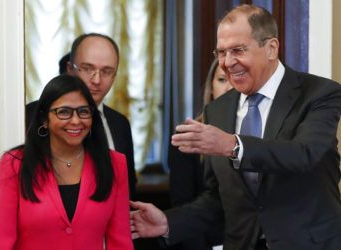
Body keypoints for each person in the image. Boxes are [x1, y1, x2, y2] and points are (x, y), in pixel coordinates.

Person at [130, 4, 341, 250]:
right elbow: (219, 200)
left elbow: (303, 154)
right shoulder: (217, 110)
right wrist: (168, 222)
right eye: (221, 52)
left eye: (238, 50)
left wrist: (233, 145)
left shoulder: (319, 94)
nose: (228, 62)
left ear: (271, 48)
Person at [0, 74, 133, 250]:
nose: (75, 120)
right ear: (44, 119)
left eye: (83, 111)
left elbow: (121, 242)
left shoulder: (114, 164)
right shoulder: (14, 164)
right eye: (64, 112)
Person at [26, 33, 137, 199]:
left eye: (107, 71)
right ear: (70, 69)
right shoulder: (31, 115)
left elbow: (128, 190)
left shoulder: (119, 123)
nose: (97, 80)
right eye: (88, 69)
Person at [168, 58, 231, 250]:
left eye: (235, 78)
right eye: (221, 80)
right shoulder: (187, 137)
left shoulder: (258, 134)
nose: (229, 88)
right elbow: (183, 206)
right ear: (211, 87)